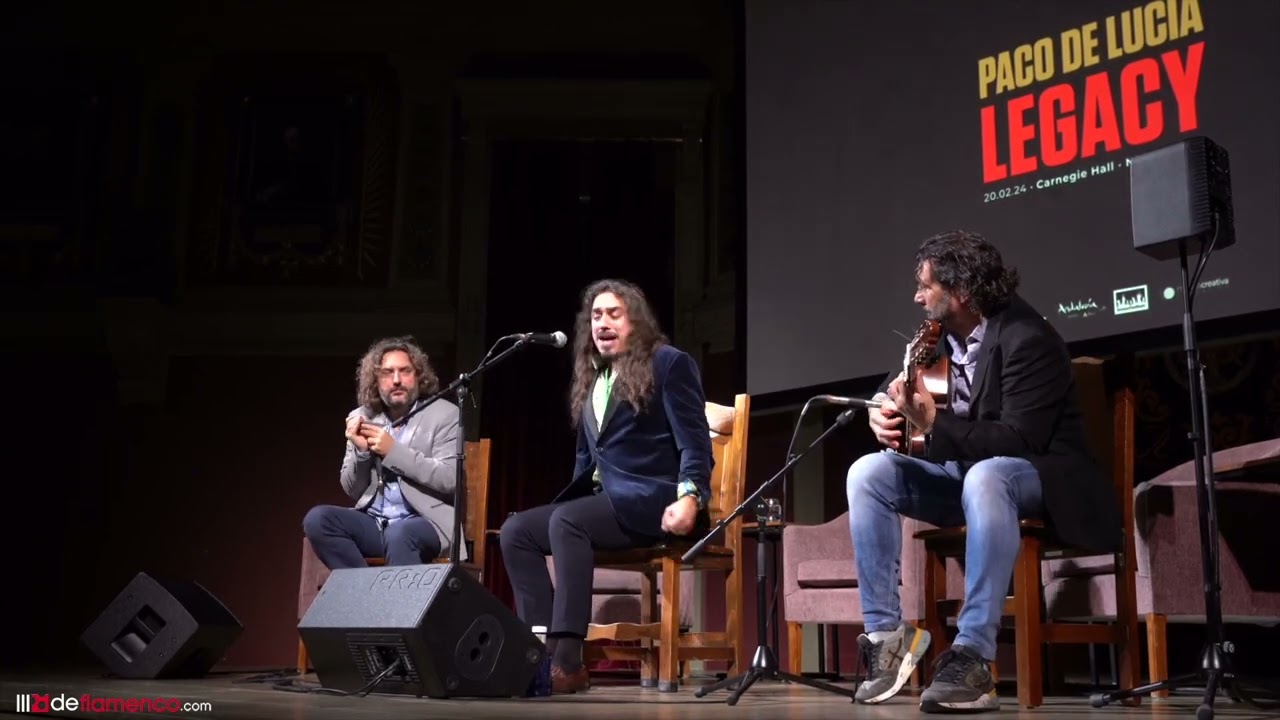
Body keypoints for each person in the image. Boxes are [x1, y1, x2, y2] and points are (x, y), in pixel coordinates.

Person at [846, 230, 1121, 712]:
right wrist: (879, 408)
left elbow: (1019, 441)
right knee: (868, 473)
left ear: (962, 290)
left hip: (1041, 480)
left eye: (926, 286)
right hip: (968, 478)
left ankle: (973, 656)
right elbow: (895, 385)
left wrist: (933, 423)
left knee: (987, 475)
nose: (917, 297)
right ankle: (887, 639)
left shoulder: (1028, 339)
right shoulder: (938, 339)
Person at [500, 278, 713, 694]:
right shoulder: (593, 378)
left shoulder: (669, 363)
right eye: (596, 315)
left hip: (653, 499)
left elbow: (696, 443)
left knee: (566, 521)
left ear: (636, 321)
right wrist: (571, 505)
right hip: (605, 503)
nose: (602, 323)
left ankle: (568, 661)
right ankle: (537, 652)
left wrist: (690, 497)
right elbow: (586, 461)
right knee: (516, 531)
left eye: (614, 313)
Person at [303, 336, 463, 569]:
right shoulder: (362, 417)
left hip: (427, 523)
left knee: (400, 534)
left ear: (418, 376)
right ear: (375, 381)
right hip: (377, 524)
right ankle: (364, 589)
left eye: (405, 371)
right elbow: (352, 490)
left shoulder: (445, 415)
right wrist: (361, 452)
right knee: (318, 520)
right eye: (387, 373)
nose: (396, 380)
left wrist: (393, 451)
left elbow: (450, 479)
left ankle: (398, 596)